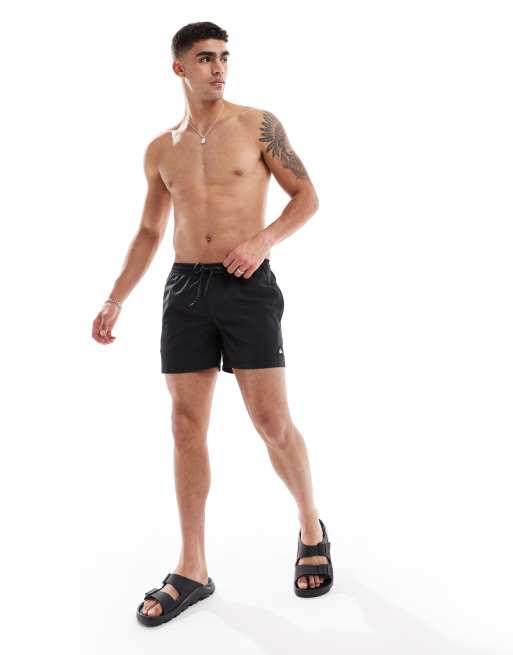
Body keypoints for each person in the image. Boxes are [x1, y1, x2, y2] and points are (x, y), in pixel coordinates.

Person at [91, 21, 333, 627]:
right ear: (180, 68)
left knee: (272, 423)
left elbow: (306, 196)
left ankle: (310, 526)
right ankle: (193, 567)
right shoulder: (161, 149)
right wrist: (116, 297)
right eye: (205, 58)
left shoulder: (258, 125)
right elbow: (150, 231)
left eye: (224, 56)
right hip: (185, 290)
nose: (219, 67)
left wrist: (262, 241)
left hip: (248, 286)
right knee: (185, 426)